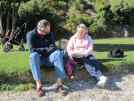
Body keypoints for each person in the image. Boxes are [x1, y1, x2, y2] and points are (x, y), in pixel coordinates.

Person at [27, 19, 67, 97]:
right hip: (38, 59)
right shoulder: (30, 34)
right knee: (33, 55)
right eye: (47, 29)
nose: (48, 31)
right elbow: (32, 50)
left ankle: (59, 84)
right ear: (41, 28)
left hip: (49, 58)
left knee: (58, 53)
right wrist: (46, 49)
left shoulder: (50, 34)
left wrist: (42, 50)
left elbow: (53, 47)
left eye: (48, 29)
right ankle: (39, 86)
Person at [66, 23, 107, 88]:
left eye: (82, 32)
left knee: (93, 60)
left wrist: (85, 53)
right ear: (77, 31)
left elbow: (90, 48)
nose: (81, 33)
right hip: (76, 56)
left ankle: (100, 78)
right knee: (87, 62)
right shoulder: (73, 38)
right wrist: (71, 54)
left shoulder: (88, 37)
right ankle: (100, 77)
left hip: (86, 54)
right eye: (79, 31)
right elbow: (69, 48)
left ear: (85, 31)